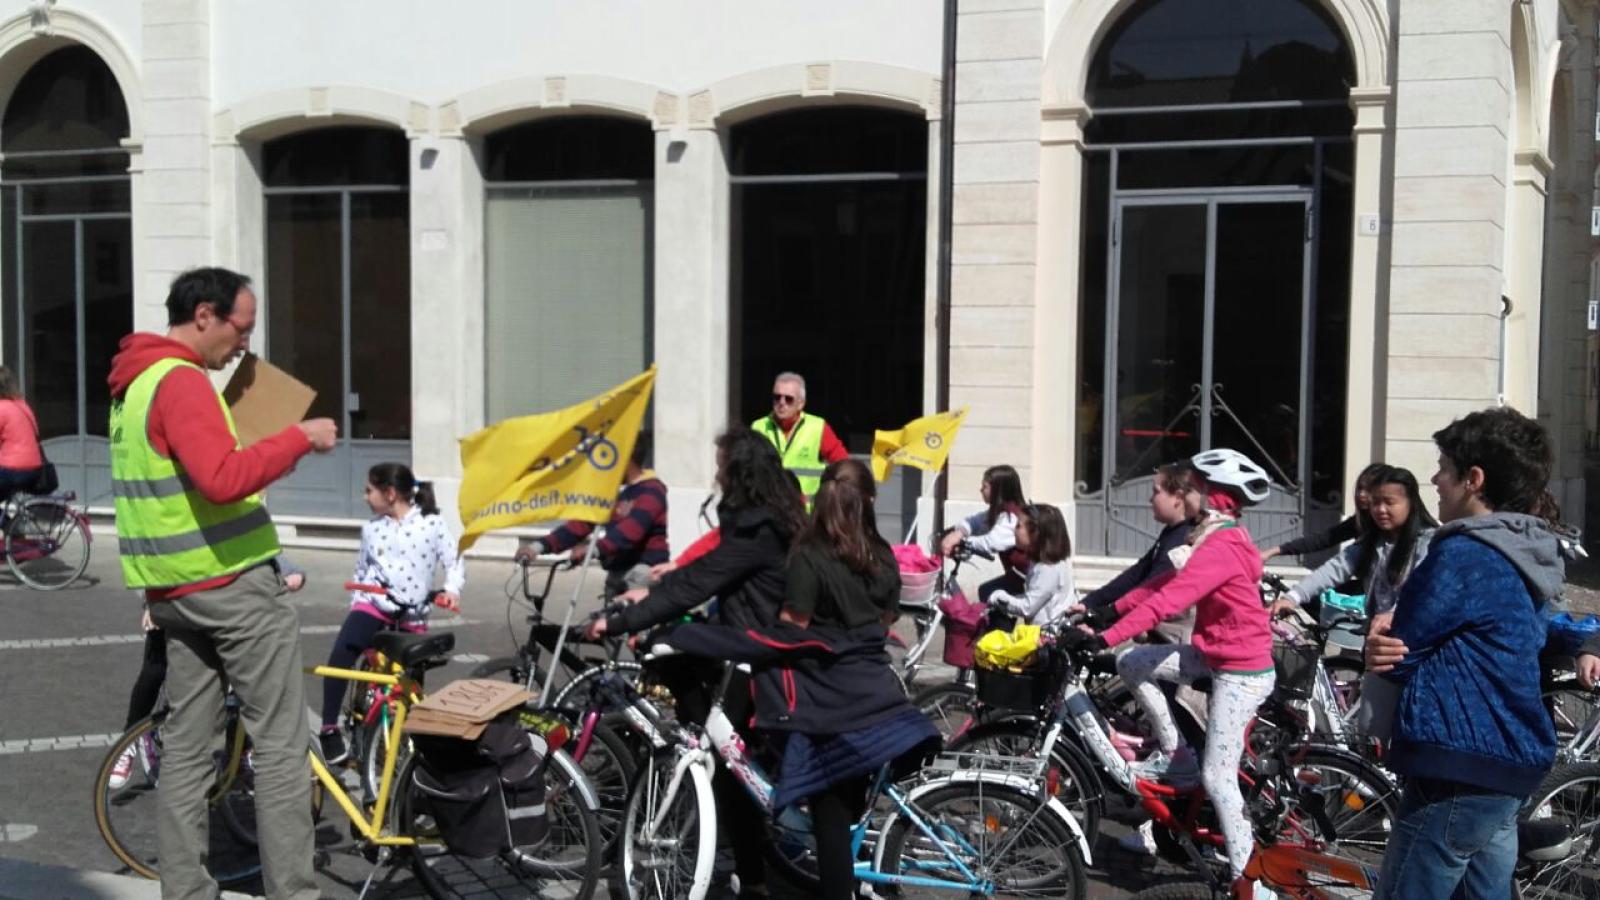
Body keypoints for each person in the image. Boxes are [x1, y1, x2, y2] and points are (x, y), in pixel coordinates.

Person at [108, 266, 336, 900]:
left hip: (175, 593)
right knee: (283, 747)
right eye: (242, 329)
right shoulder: (181, 382)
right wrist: (297, 437)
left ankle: (184, 891)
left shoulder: (135, 384)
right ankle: (294, 892)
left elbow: (193, 486)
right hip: (231, 589)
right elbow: (220, 480)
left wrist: (255, 460)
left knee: (185, 749)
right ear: (204, 315)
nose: (244, 345)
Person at [661, 459, 940, 899]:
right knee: (844, 809)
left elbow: (793, 626)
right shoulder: (882, 554)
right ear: (866, 502)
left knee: (829, 820)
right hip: (878, 692)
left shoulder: (810, 557)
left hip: (830, 700)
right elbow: (887, 617)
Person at [586, 426, 805, 897]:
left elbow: (702, 581)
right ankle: (755, 878)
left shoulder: (758, 527)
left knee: (733, 766)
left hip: (757, 655)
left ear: (739, 471)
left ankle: (757, 872)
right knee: (733, 770)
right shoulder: (766, 516)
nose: (716, 472)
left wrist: (624, 620)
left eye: (722, 464)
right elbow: (710, 571)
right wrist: (655, 591)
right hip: (748, 648)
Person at [1364, 408, 1569, 899]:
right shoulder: (1529, 550)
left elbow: (1402, 650)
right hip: (1508, 764)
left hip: (1455, 762)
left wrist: (1379, 642)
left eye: (1444, 468)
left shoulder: (1463, 552)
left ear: (1473, 480)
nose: (1434, 479)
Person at [1063, 448, 1276, 891]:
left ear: (1214, 496)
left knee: (1219, 777)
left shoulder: (1221, 546)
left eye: (1194, 489)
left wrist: (1101, 637)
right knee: (1132, 660)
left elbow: (1169, 602)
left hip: (1242, 672)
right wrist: (1104, 615)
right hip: (1215, 655)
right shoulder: (1208, 537)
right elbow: (1155, 584)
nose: (1187, 495)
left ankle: (1249, 882)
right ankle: (1177, 755)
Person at [108, 558, 307, 790]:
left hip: (220, 609)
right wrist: (151, 603)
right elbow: (150, 554)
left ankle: (240, 752)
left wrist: (293, 572)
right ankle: (128, 742)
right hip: (174, 595)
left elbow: (257, 547)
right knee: (155, 669)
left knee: (244, 679)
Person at [1271, 465, 1436, 741]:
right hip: (1378, 644)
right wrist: (1292, 597)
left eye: (1390, 502)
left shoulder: (1428, 542)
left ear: (1411, 503)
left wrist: (1395, 613)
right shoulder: (1372, 542)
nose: (1381, 510)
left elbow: (1426, 588)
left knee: (1412, 723)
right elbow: (1333, 569)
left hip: (1415, 646)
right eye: (1375, 503)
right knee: (1372, 726)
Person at [318, 463, 464, 764]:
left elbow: (454, 559)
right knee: (343, 651)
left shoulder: (432, 524)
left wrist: (451, 589)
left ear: (391, 493)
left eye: (369, 490)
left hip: (412, 615)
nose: (364, 497)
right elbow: (361, 570)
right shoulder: (371, 528)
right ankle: (329, 728)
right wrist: (357, 603)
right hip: (374, 606)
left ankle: (409, 755)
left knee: (408, 691)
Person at [516, 432, 667, 599]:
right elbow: (581, 525)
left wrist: (593, 550)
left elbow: (630, 531)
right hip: (617, 570)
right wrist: (537, 547)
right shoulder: (614, 493)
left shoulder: (651, 490)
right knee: (603, 622)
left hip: (643, 571)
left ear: (625, 458)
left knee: (629, 620)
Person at [1080, 461, 1203, 644]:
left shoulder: (1181, 541)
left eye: (1156, 491)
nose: (1150, 499)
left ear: (1177, 497)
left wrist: (1101, 624)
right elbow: (1137, 573)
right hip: (1153, 628)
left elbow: (1150, 592)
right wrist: (1089, 603)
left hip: (1170, 637)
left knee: (1122, 662)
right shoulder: (1171, 532)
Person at [751, 371, 849, 506]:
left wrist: (832, 497)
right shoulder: (758, 427)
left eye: (788, 399)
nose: (781, 402)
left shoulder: (817, 427)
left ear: (801, 403)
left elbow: (844, 465)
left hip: (806, 516)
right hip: (768, 512)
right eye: (777, 397)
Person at [1259, 462, 1386, 563]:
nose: (1361, 494)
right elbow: (1322, 539)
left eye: (1368, 490)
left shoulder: (1392, 532)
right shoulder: (1360, 522)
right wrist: (1273, 551)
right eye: (1360, 488)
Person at [938, 463, 1029, 601]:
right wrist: (956, 533)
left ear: (998, 490)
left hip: (1028, 580)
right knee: (986, 591)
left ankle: (999, 624)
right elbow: (975, 522)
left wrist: (962, 541)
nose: (981, 490)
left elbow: (991, 543)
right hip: (1016, 577)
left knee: (989, 593)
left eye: (985, 486)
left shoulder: (1012, 517)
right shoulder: (999, 512)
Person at [987, 503, 1076, 626]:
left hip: (1050, 636)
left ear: (1036, 534)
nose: (1014, 530)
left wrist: (999, 597)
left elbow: (1028, 607)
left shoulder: (1048, 569)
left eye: (1019, 526)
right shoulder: (1040, 562)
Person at [0, 365, 42, 502]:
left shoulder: (2, 408)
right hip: (34, 468)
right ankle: (8, 523)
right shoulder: (22, 405)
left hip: (14, 470)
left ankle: (6, 522)